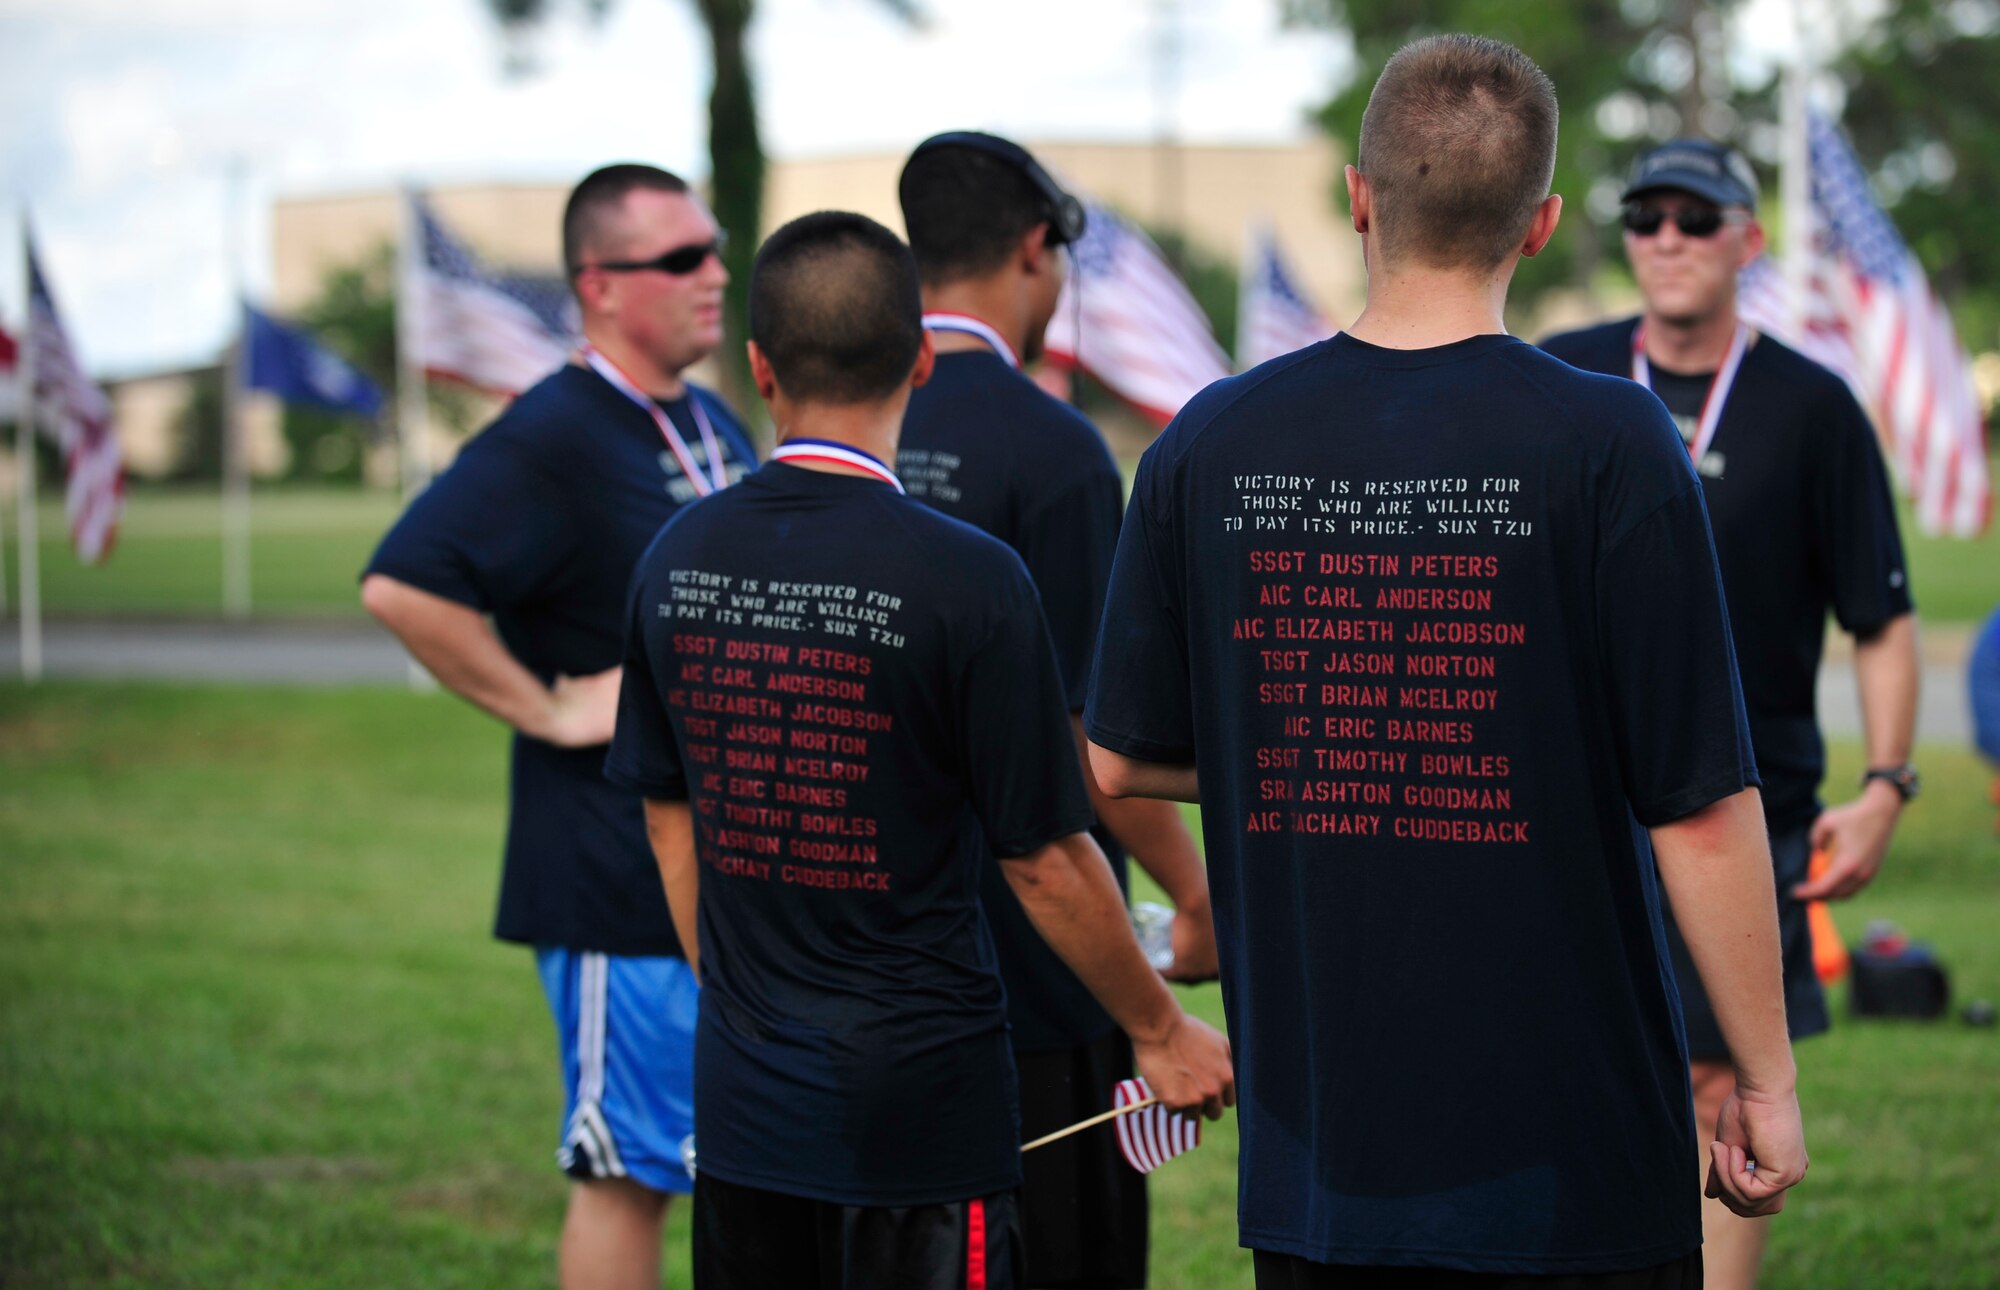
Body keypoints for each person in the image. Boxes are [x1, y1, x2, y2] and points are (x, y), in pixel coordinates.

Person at [1084, 35, 1807, 1287]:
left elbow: (1119, 754)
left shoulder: (1206, 440)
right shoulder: (1610, 438)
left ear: (1360, 200)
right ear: (1540, 225)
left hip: (1324, 1159)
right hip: (1569, 1158)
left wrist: (1327, 744)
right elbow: (1695, 802)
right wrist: (1766, 1078)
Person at [604, 211, 1234, 1290]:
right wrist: (1159, 1027)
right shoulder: (971, 578)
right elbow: (1041, 858)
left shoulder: (675, 554)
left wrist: (745, 998)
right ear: (920, 358)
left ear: (757, 365)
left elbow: (669, 817)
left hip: (748, 1100)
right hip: (919, 1117)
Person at [360, 164, 755, 1290]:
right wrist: (545, 706)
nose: (713, 274)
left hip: (712, 870)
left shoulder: (706, 415)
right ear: (599, 284)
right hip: (604, 874)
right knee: (624, 1174)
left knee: (727, 1161)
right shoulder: (555, 431)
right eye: (681, 259)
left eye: (714, 248)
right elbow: (404, 585)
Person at [1542, 139, 1918, 1288]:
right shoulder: (1566, 379)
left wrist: (1883, 787)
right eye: (1644, 216)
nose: (1665, 238)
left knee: (1721, 1085)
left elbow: (1880, 616)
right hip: (1570, 804)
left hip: (1743, 805)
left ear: (1746, 242)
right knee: (1560, 1075)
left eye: (1694, 217)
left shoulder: (1812, 408)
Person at [896, 130, 1220, 1289]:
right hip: (1035, 977)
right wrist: (1194, 894)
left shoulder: (833, 436)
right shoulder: (1054, 453)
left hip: (859, 968)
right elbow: (1100, 749)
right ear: (1036, 249)